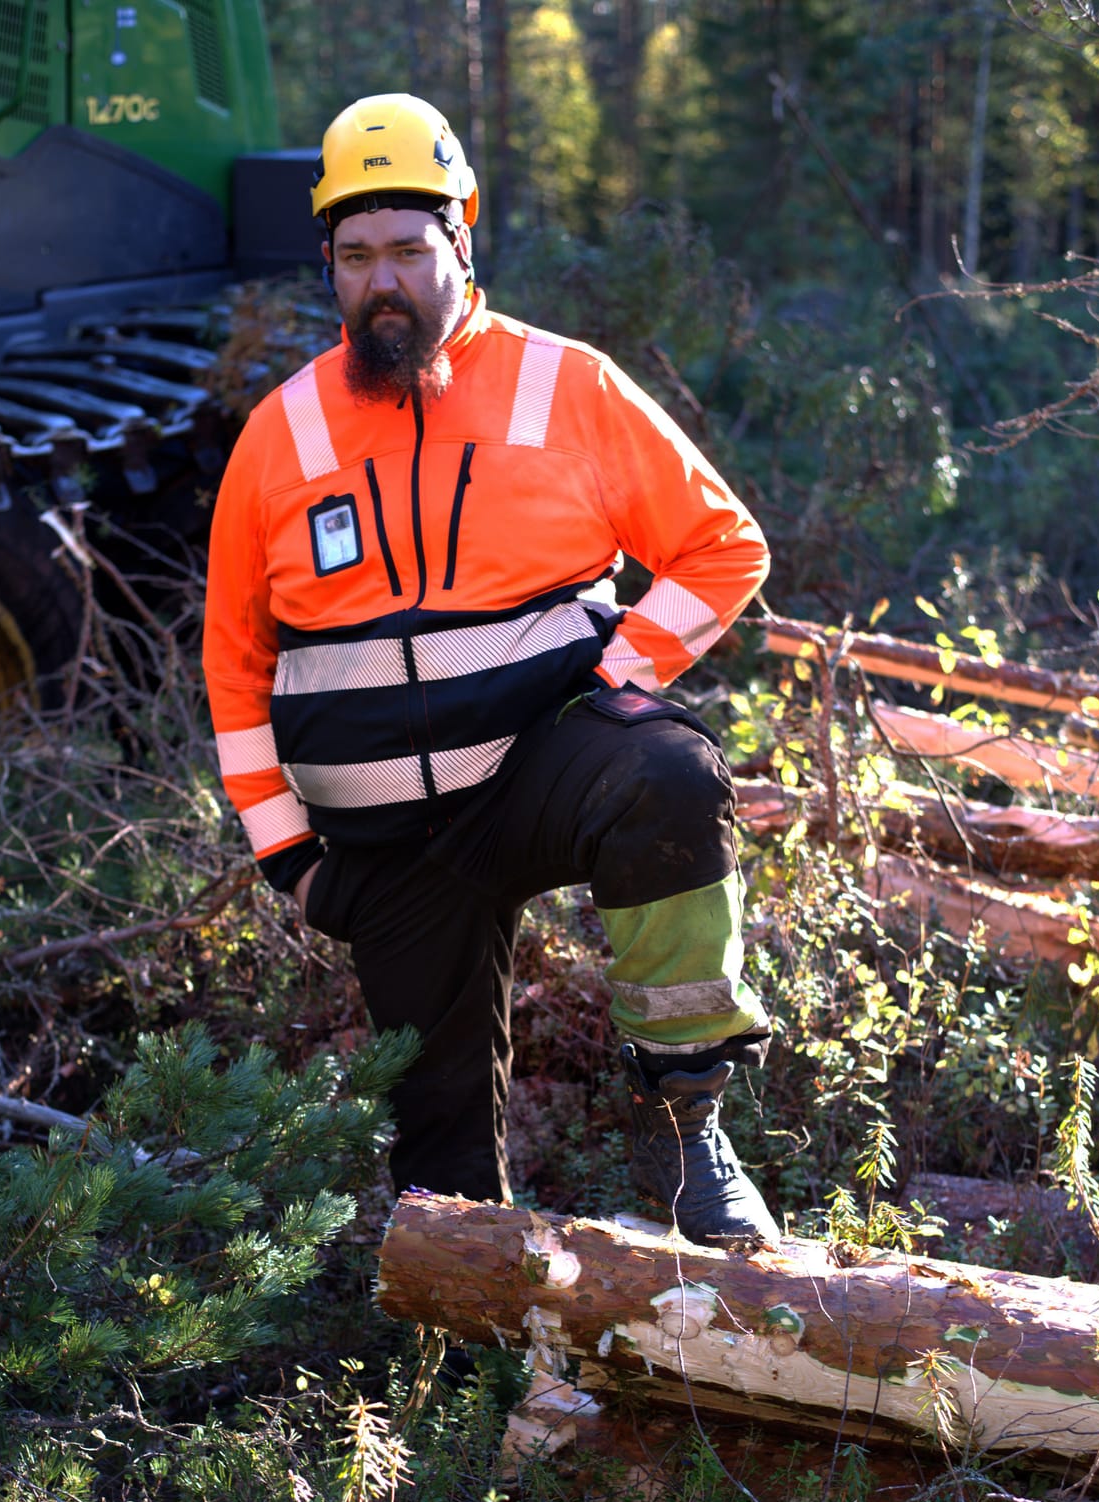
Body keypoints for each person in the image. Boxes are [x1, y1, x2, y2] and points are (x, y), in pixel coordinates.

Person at [203, 93, 779, 1245]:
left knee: (666, 775)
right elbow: (234, 662)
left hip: (535, 777)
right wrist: (289, 864)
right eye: (357, 256)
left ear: (463, 239)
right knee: (441, 1171)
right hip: (389, 855)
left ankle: (690, 1141)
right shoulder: (283, 431)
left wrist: (621, 670)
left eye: (411, 250)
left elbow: (724, 546)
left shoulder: (564, 385)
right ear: (329, 265)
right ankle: (470, 1371)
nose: (386, 282)